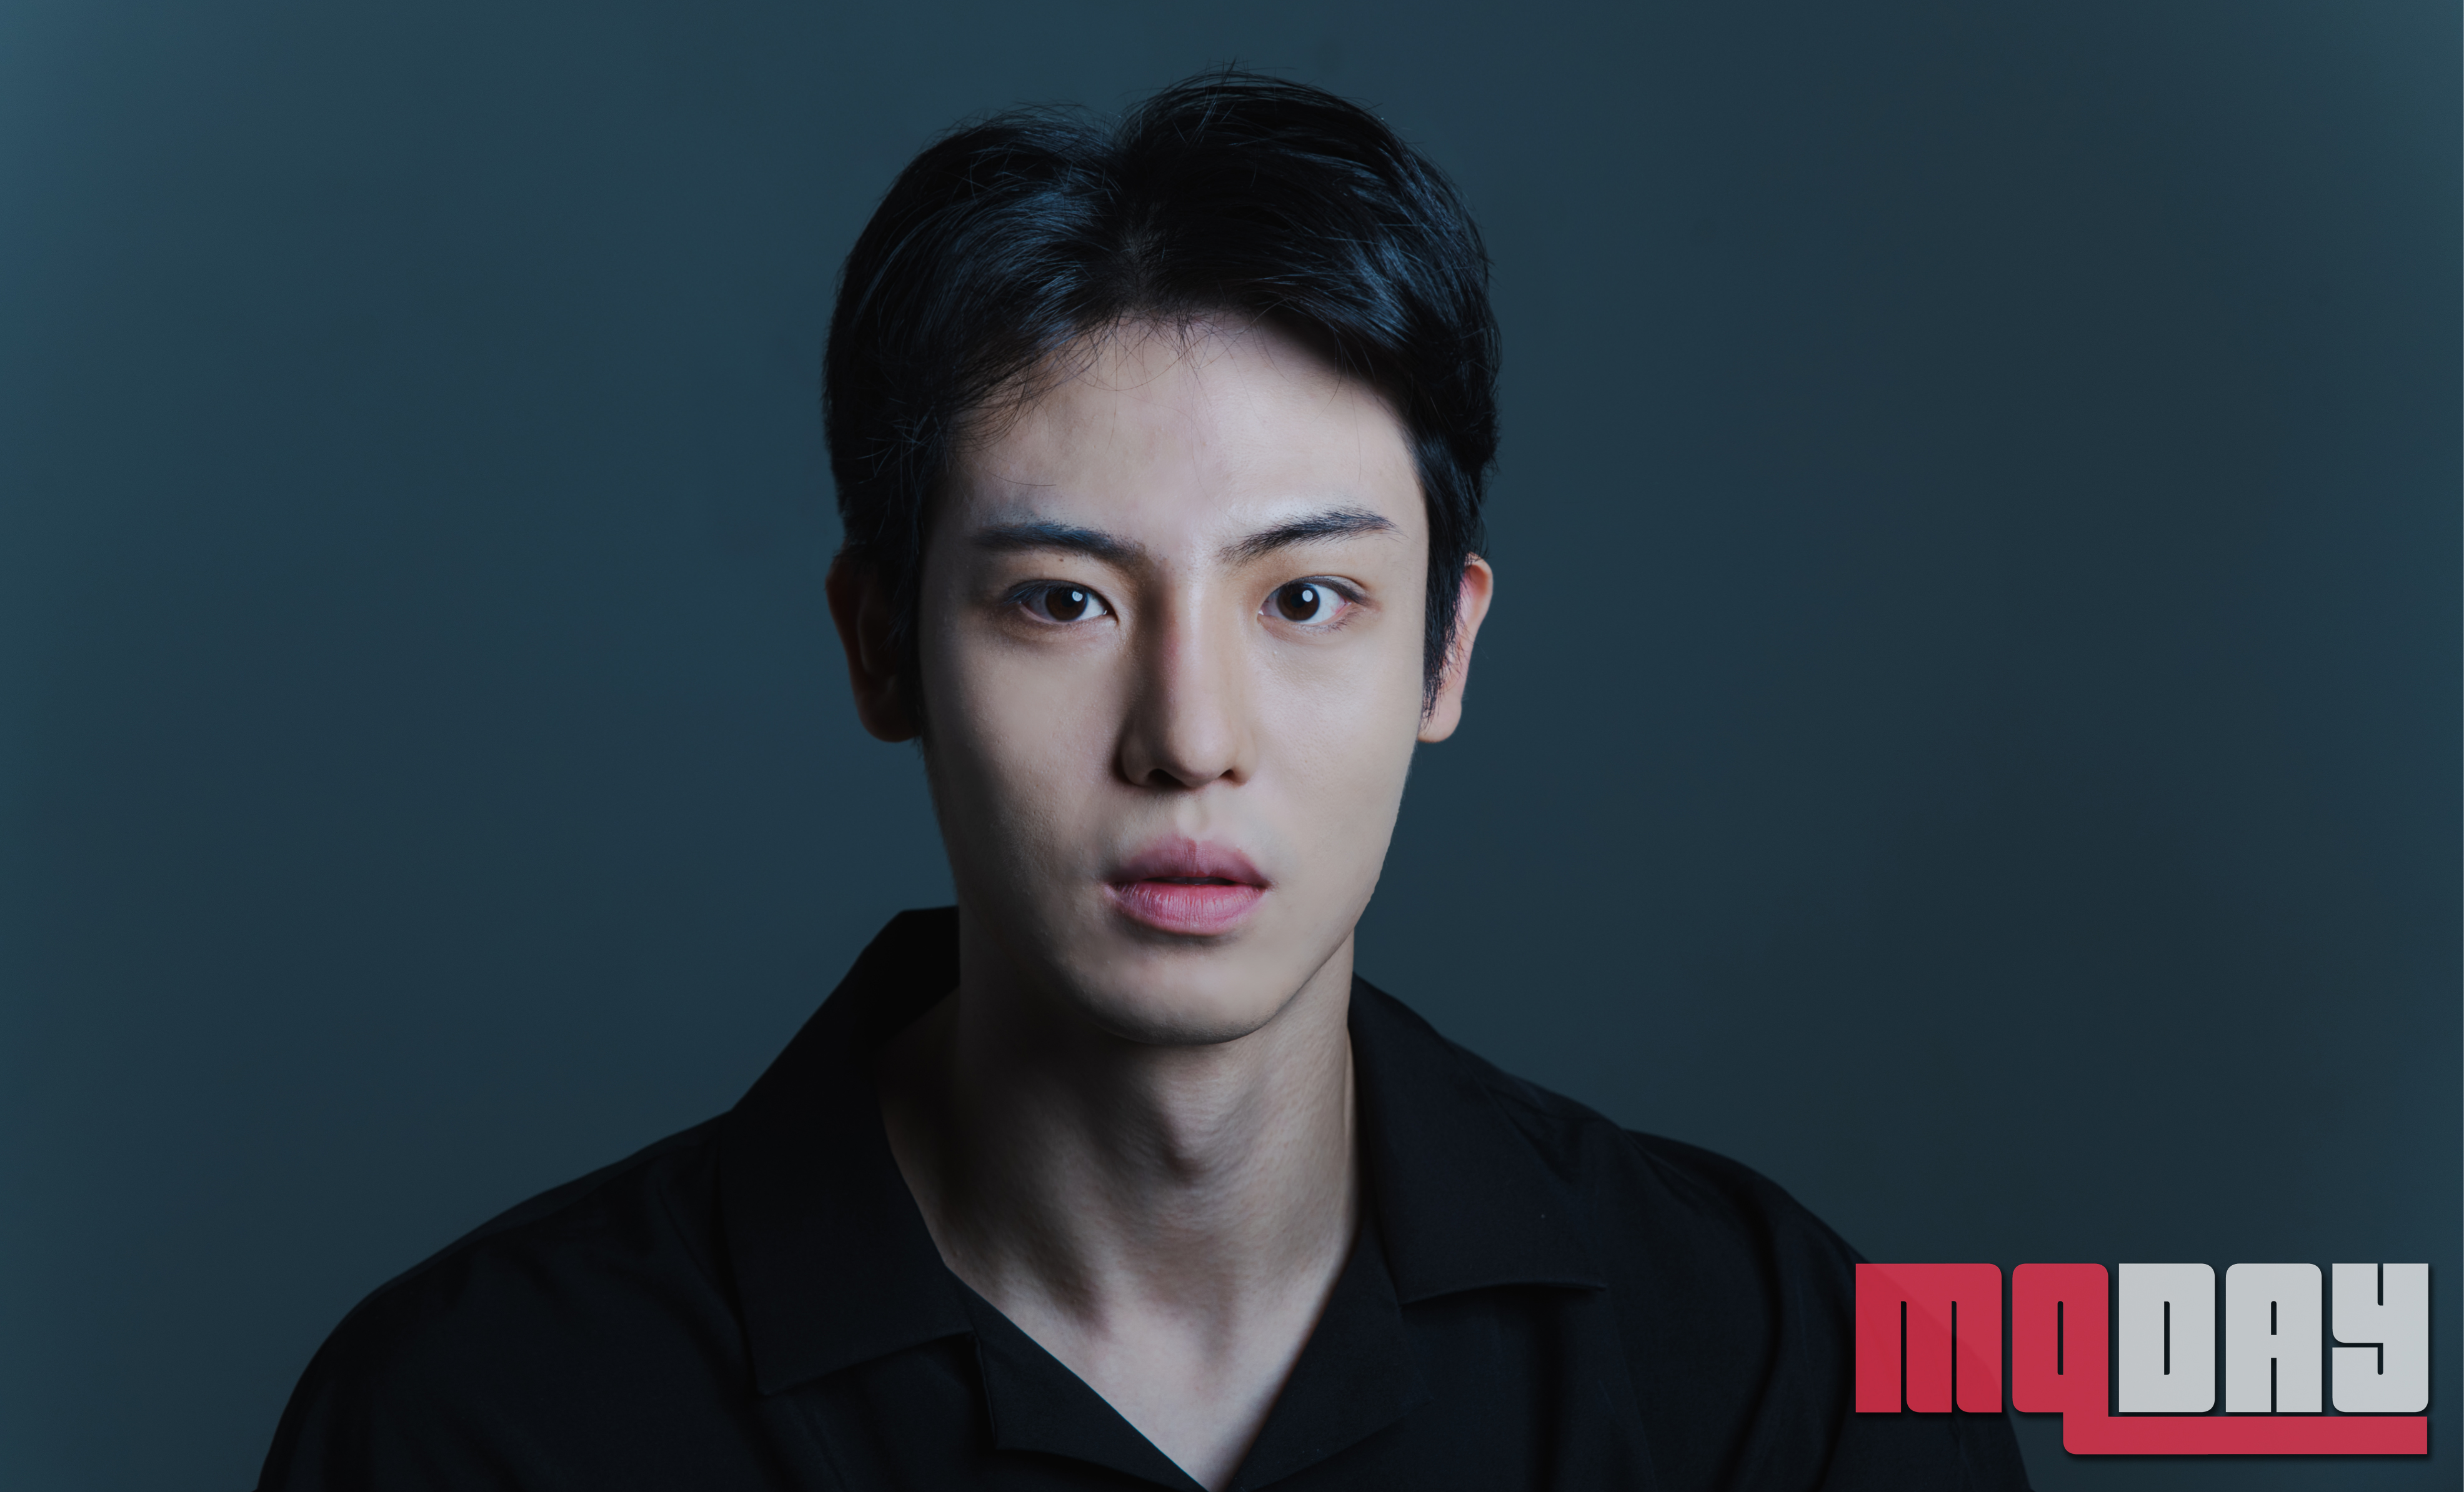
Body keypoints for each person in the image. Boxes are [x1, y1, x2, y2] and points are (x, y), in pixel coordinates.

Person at [257, 74, 2030, 1490]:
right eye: (1063, 600)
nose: (1189, 733)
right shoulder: (487, 1422)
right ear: (882, 648)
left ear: (1447, 653)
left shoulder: (1780, 1374)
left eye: (1307, 599)